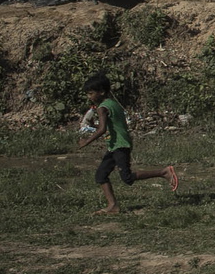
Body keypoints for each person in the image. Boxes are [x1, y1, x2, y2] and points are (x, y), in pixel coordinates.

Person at [73, 73, 176, 214]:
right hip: (116, 145)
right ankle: (113, 206)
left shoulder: (102, 108)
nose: (89, 97)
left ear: (101, 92)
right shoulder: (112, 104)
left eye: (91, 93)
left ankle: (163, 172)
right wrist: (94, 125)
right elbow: (113, 126)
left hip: (119, 145)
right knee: (101, 175)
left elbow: (103, 129)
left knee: (127, 178)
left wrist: (86, 141)